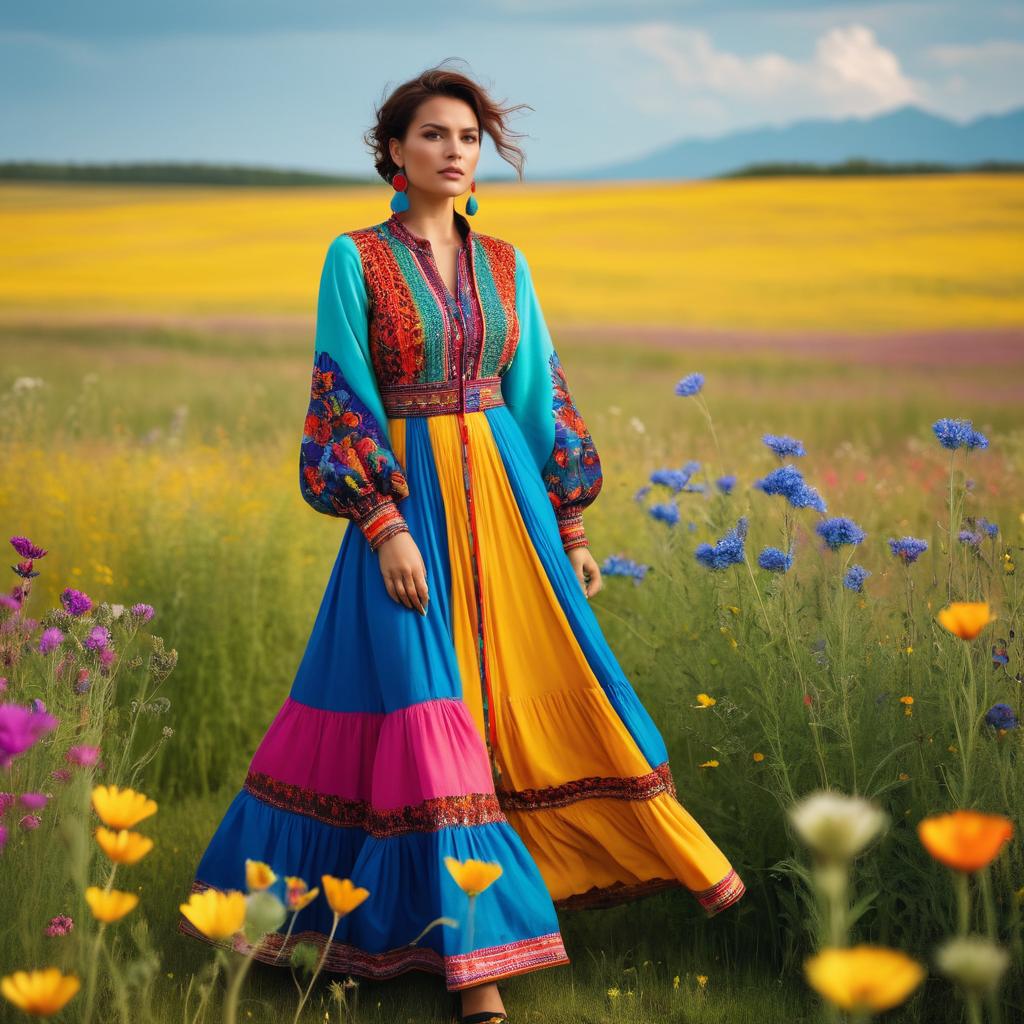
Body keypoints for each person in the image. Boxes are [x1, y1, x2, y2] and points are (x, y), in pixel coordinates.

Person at [179, 62, 744, 1024]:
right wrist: (383, 523)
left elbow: (539, 395)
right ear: (393, 152)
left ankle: (533, 900)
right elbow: (339, 391)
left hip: (508, 502)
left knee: (524, 694)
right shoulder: (353, 258)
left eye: (469, 137)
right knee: (423, 708)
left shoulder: (508, 265)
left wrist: (569, 524)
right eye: (434, 135)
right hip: (409, 506)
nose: (454, 151)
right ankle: (471, 969)